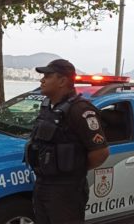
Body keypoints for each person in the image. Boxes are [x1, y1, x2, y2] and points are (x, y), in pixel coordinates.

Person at [25, 59, 109, 224]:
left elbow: (101, 152)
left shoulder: (80, 110)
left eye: (48, 76)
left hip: (66, 189)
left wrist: (74, 168)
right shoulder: (48, 106)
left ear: (62, 81)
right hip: (43, 184)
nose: (42, 80)